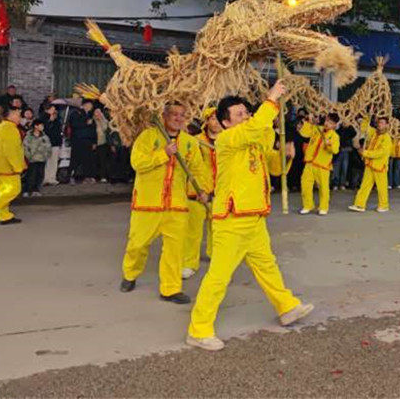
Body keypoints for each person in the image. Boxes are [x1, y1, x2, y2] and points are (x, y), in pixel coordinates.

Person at [187, 84, 314, 351]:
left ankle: (287, 306)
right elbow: (255, 128)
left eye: (246, 112)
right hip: (232, 220)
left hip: (254, 216)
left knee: (268, 266)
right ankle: (198, 330)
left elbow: (271, 160)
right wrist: (271, 100)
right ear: (225, 122)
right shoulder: (227, 140)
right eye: (239, 114)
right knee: (218, 277)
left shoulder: (251, 141)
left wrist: (286, 154)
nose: (245, 116)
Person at [119, 102, 211, 304]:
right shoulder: (148, 136)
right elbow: (137, 163)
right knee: (137, 244)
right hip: (147, 204)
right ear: (164, 116)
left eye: (182, 115)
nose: (178, 118)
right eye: (174, 114)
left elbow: (198, 170)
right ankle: (130, 274)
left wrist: (203, 191)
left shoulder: (189, 142)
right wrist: (163, 154)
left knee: (174, 249)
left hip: (176, 205)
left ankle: (170, 289)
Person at [182, 107, 219, 280]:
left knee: (218, 230)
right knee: (192, 232)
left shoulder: (229, 140)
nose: (216, 122)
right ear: (206, 121)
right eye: (212, 119)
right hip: (196, 192)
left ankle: (215, 256)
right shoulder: (194, 141)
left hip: (219, 193)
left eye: (219, 119)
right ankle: (190, 263)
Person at [299, 112, 340, 216]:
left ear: (335, 125)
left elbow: (335, 150)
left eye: (330, 123)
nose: (327, 124)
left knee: (323, 188)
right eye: (327, 121)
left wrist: (328, 145)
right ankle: (308, 205)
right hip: (310, 163)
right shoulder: (317, 129)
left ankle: (323, 207)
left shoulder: (334, 136)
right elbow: (304, 133)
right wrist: (309, 121)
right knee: (305, 185)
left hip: (323, 166)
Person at [349, 116, 392, 213]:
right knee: (364, 185)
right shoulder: (374, 133)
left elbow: (381, 152)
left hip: (380, 166)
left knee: (381, 188)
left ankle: (384, 205)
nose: (380, 124)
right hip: (370, 165)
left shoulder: (387, 138)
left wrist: (365, 153)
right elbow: (365, 128)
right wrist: (364, 118)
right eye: (379, 122)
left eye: (382, 123)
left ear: (387, 125)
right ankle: (359, 204)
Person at [69, 100, 98, 183]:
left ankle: (87, 176)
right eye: (89, 105)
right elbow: (74, 125)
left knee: (88, 160)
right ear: (84, 105)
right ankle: (72, 176)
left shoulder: (90, 115)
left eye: (91, 106)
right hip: (78, 140)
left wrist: (94, 142)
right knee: (76, 159)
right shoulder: (76, 113)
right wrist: (86, 123)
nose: (90, 107)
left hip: (88, 140)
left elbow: (93, 129)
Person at [22, 121, 52, 197]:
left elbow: (48, 146)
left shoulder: (44, 136)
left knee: (40, 175)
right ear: (36, 126)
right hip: (33, 159)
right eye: (41, 125)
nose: (42, 127)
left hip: (42, 159)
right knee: (31, 175)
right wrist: (29, 156)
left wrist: (47, 155)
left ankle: (36, 189)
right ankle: (27, 190)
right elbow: (25, 147)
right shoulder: (29, 136)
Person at [39, 104, 63, 185]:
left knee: (54, 161)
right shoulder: (42, 118)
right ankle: (45, 178)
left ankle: (52, 178)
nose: (54, 111)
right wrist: (50, 121)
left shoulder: (57, 118)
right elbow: (43, 129)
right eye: (52, 109)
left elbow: (58, 129)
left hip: (55, 142)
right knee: (46, 161)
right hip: (47, 142)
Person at [389, 122, 400, 190]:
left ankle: (397, 183)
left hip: (399, 154)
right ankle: (389, 183)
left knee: (397, 169)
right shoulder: (389, 134)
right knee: (389, 169)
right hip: (391, 154)